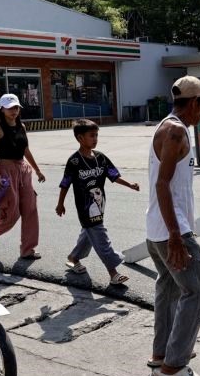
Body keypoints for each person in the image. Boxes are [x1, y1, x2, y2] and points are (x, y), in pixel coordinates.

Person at [146, 76, 200, 376]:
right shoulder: (176, 131)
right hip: (173, 230)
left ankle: (161, 354)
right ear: (194, 103)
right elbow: (163, 184)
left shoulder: (166, 125)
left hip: (156, 228)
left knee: (169, 288)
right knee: (196, 292)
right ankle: (174, 366)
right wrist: (176, 236)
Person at [56, 119, 139, 285]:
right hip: (85, 207)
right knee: (100, 237)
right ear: (80, 138)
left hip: (99, 204)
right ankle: (113, 273)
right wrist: (60, 203)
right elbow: (65, 183)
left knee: (89, 233)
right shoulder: (74, 161)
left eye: (96, 135)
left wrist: (129, 184)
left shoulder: (100, 158)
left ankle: (74, 257)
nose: (95, 139)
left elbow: (113, 175)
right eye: (91, 136)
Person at [0, 94, 45, 258]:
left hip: (23, 169)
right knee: (12, 212)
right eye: (10, 108)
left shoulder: (21, 126)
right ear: (2, 109)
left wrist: (37, 170)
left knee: (30, 209)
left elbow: (25, 150)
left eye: (16, 107)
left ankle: (28, 250)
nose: (14, 111)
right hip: (6, 170)